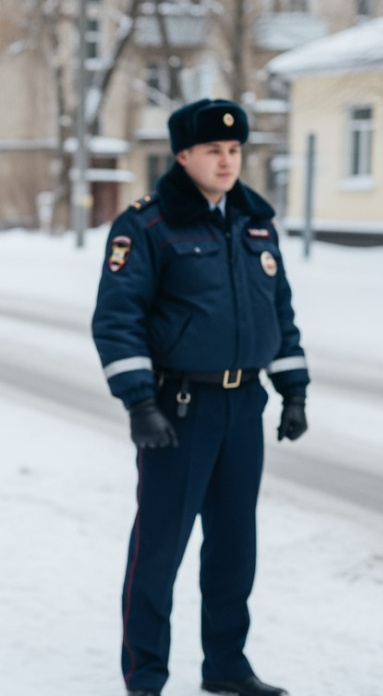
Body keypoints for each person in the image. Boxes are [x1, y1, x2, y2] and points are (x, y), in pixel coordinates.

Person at [91, 98, 310, 696]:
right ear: (183, 155)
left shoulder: (255, 222)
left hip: (245, 409)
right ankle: (146, 678)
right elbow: (117, 319)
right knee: (158, 553)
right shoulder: (147, 225)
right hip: (177, 410)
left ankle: (227, 667)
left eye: (234, 150)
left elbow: (279, 314)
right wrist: (140, 401)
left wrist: (293, 389)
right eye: (213, 150)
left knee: (235, 548)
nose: (226, 160)